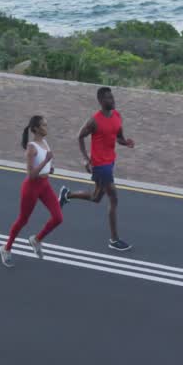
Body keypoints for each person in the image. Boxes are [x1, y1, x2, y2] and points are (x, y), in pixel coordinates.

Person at [59, 86, 135, 251]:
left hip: (110, 161)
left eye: (112, 97)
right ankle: (114, 240)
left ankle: (67, 194)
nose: (112, 100)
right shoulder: (94, 120)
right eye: (108, 98)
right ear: (101, 101)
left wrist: (126, 142)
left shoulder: (117, 116)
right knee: (113, 198)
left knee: (96, 197)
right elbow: (80, 136)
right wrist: (86, 159)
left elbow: (118, 137)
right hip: (100, 165)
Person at [0, 115, 63, 268]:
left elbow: (42, 167)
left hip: (45, 184)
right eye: (43, 125)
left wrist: (49, 168)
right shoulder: (31, 147)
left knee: (58, 218)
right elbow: (31, 175)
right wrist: (46, 161)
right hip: (31, 187)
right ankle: (6, 248)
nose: (46, 127)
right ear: (35, 128)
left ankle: (36, 240)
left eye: (46, 124)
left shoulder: (45, 142)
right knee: (23, 220)